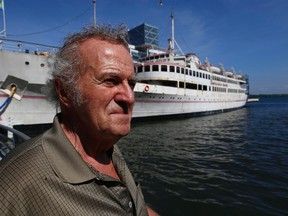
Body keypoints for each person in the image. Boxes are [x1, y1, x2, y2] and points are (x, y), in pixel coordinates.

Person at [0, 24, 158, 216]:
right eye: (110, 80)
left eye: (131, 84)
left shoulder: (107, 149)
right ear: (65, 91)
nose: (130, 97)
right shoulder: (15, 183)